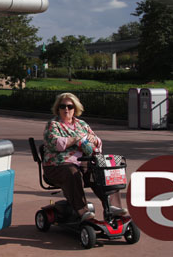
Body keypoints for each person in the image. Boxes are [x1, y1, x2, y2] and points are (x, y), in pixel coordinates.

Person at [42, 92, 127, 221]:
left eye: (70, 107)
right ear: (57, 108)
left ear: (75, 109)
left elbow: (98, 143)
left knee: (105, 169)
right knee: (72, 171)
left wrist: (94, 140)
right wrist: (76, 139)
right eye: (62, 106)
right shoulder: (53, 125)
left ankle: (112, 207)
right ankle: (82, 211)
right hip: (57, 166)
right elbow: (56, 143)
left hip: (83, 162)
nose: (66, 109)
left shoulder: (82, 124)